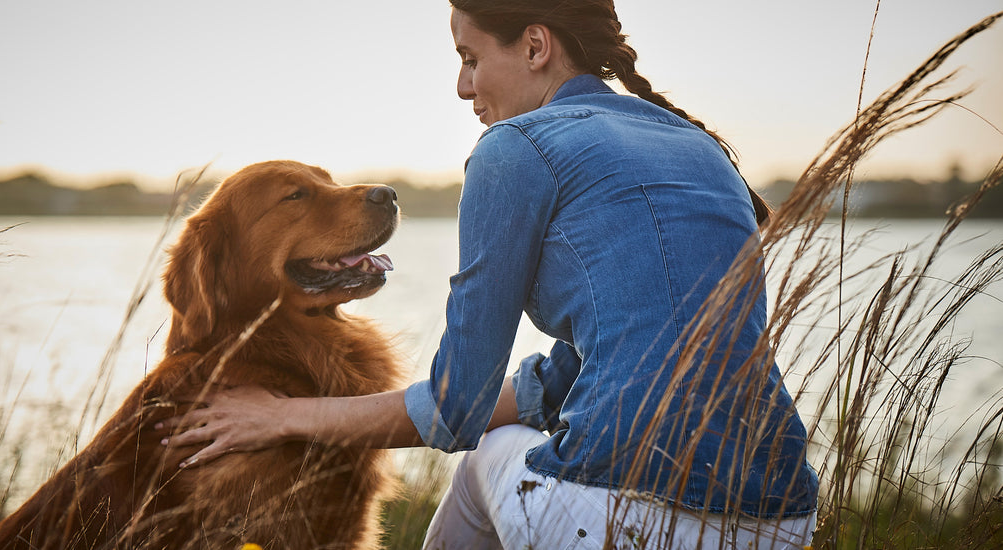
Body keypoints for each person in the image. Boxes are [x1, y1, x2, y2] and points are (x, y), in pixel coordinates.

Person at [159, 1, 819, 547]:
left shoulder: (514, 149)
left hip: (632, 516)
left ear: (536, 46)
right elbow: (584, 373)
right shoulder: (699, 148)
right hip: (786, 519)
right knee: (517, 430)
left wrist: (280, 418)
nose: (463, 87)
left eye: (471, 59)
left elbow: (456, 412)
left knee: (484, 456)